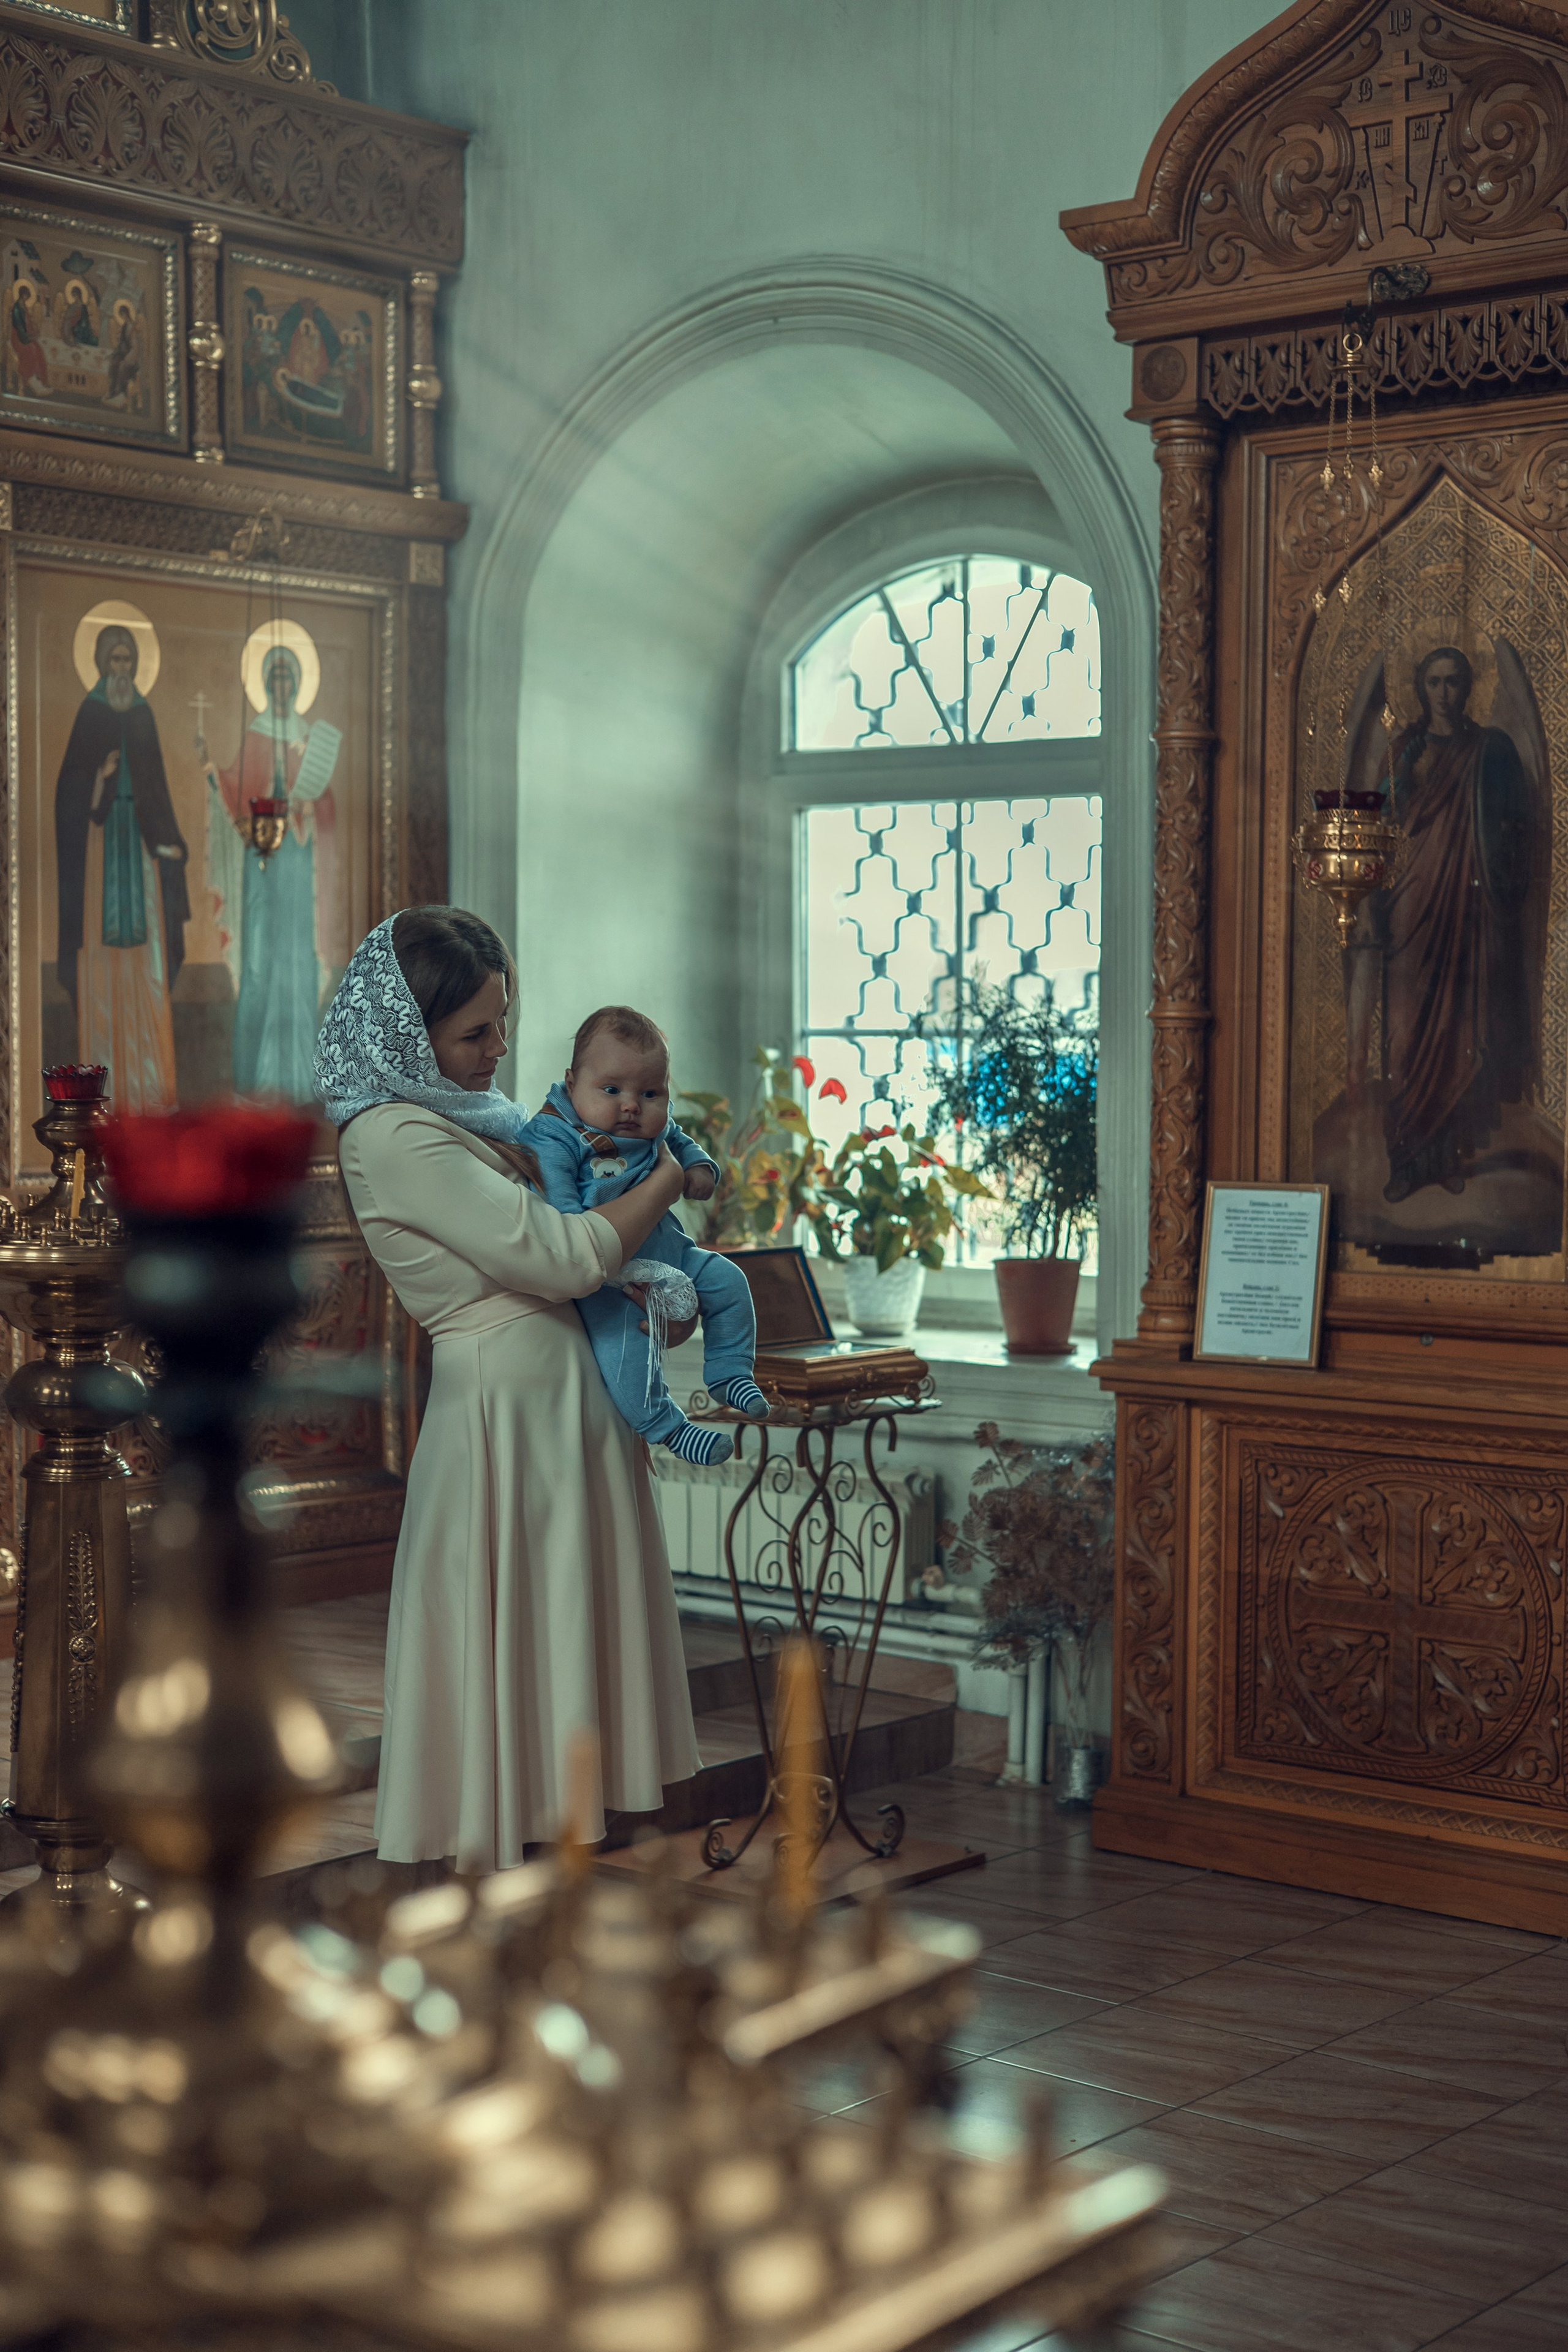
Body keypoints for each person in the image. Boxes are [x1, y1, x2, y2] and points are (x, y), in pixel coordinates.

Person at [313, 908, 700, 1870]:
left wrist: (655, 1286)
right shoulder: (393, 1135)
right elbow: (566, 1255)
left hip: (562, 1415)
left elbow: (586, 1246)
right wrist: (673, 1179)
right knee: (510, 1648)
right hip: (502, 1421)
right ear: (411, 1034)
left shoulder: (478, 1122)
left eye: (503, 1022)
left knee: (562, 1649)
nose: (498, 1049)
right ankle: (492, 1903)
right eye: (473, 1032)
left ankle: (550, 1901)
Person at [519, 1006, 768, 1469]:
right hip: (607, 1280)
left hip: (672, 1254)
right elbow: (562, 1213)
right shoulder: (553, 1134)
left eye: (650, 1092)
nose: (631, 1105)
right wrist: (577, 1223)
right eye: (611, 1090)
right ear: (572, 1083)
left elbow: (681, 1140)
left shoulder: (654, 1126)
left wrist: (699, 1170)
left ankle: (731, 1371)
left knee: (730, 1281)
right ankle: (670, 1429)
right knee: (626, 1354)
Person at [1353, 646, 1538, 1204]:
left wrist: (1495, 872)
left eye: (1453, 682)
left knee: (1459, 1031)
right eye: (1433, 682)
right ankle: (1405, 1159)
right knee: (1406, 1036)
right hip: (1411, 907)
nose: (1443, 692)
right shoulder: (1402, 751)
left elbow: (1514, 829)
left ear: (1467, 688)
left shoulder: (1490, 751)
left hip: (1465, 906)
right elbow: (1378, 827)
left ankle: (1447, 1156)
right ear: (1420, 688)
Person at [54, 622, 189, 1107]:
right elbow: (67, 796)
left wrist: (171, 841)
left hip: (143, 852)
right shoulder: (90, 715)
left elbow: (159, 790)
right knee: (106, 964)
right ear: (100, 665)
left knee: (147, 960)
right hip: (100, 853)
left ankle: (152, 1088)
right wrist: (99, 780)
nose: (121, 671)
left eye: (127, 662)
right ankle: (107, 1090)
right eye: (114, 661)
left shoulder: (144, 715)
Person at [200, 642, 342, 1101]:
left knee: (297, 961)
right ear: (265, 685)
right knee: (261, 961)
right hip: (264, 868)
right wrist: (210, 769)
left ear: (298, 685)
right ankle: (258, 1080)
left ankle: (301, 1081)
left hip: (299, 866)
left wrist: (309, 802)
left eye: (289, 679)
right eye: (275, 679)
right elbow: (239, 790)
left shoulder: (309, 737)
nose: (282, 687)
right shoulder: (257, 735)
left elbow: (328, 804)